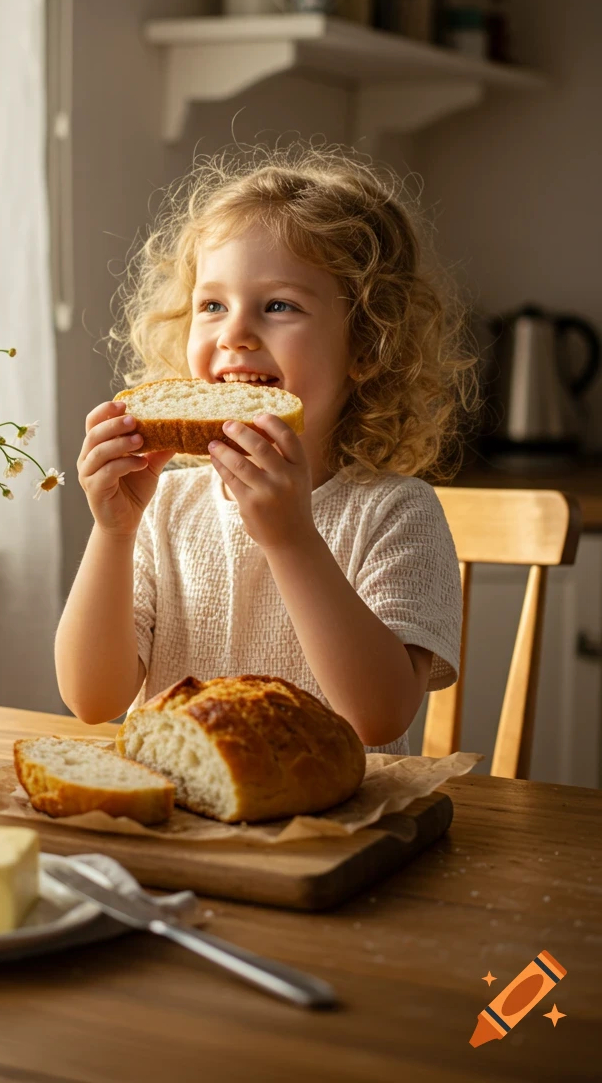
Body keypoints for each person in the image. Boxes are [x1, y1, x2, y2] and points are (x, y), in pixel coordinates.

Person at [55, 144, 478, 753]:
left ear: (367, 345)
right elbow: (92, 699)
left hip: (334, 828)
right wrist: (113, 533)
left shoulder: (397, 513)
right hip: (189, 814)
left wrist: (291, 538)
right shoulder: (166, 506)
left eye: (278, 306)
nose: (235, 334)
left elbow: (379, 717)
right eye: (212, 306)